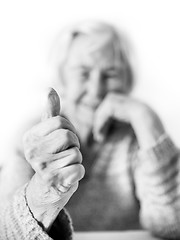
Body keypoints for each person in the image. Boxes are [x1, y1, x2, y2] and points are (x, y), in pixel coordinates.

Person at [0, 20, 180, 239]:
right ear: (62, 79)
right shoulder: (34, 138)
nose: (96, 90)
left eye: (111, 74)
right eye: (83, 73)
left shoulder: (136, 138)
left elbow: (171, 226)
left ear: (127, 81)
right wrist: (44, 192)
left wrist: (146, 119)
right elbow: (6, 230)